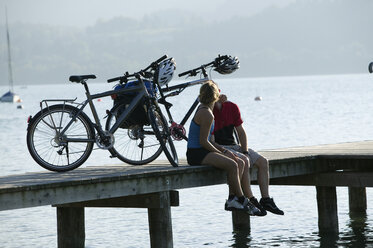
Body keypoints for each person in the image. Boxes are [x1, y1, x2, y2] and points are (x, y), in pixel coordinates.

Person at [186, 81, 260, 215]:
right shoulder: (206, 114)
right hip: (196, 153)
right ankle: (242, 200)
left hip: (203, 150)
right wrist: (225, 152)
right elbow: (203, 142)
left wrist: (225, 151)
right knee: (232, 165)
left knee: (241, 161)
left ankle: (232, 199)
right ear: (216, 96)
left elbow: (210, 141)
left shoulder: (206, 110)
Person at [213, 95, 284, 216]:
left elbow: (241, 131)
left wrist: (245, 150)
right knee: (243, 161)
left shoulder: (232, 107)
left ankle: (266, 199)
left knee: (263, 162)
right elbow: (210, 140)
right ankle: (251, 199)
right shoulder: (207, 110)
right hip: (219, 148)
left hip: (234, 145)